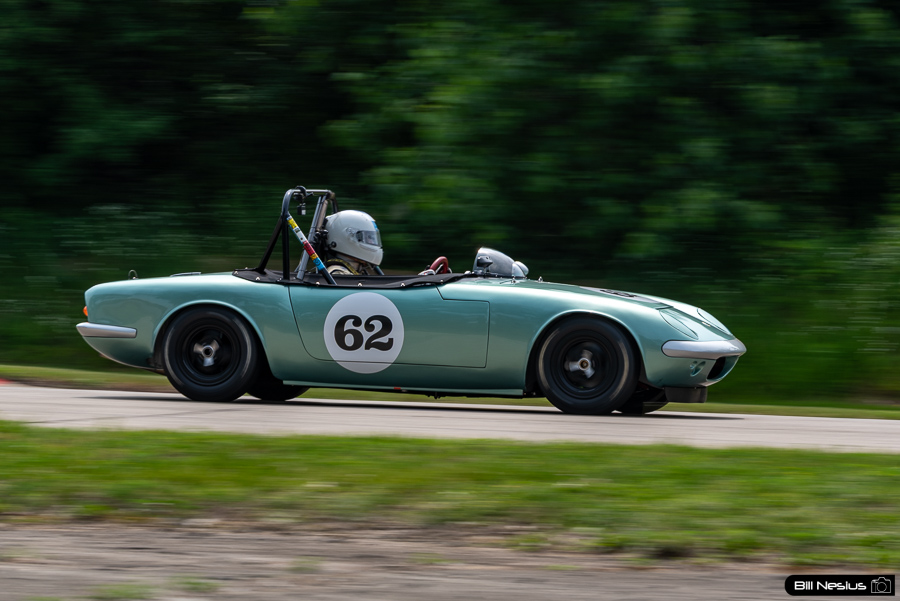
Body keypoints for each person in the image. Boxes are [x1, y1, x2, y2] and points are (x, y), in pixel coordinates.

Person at [320, 210, 383, 276]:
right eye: (368, 238)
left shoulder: (356, 270)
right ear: (349, 237)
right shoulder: (338, 274)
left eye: (372, 238)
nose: (372, 242)